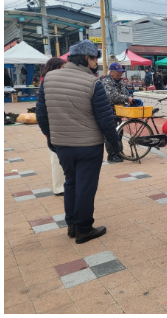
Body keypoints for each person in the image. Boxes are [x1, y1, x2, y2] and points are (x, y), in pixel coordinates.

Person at [36, 40, 121, 244]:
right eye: (94, 59)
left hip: (62, 145)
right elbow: (105, 119)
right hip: (88, 146)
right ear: (86, 58)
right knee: (86, 186)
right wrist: (115, 143)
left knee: (71, 182)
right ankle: (84, 229)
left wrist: (51, 138)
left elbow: (41, 114)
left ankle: (72, 225)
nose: (96, 63)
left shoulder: (48, 79)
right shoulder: (93, 82)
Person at [40, 57, 67, 195]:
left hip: (61, 125)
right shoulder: (47, 83)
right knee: (56, 158)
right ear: (55, 68)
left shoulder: (56, 81)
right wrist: (47, 131)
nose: (65, 70)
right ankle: (59, 187)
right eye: (63, 67)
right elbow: (41, 110)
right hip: (53, 126)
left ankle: (65, 184)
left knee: (62, 157)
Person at [101, 63, 133, 163]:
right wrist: (127, 98)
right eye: (118, 73)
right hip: (107, 111)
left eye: (121, 73)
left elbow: (124, 92)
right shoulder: (106, 81)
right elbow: (111, 95)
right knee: (111, 134)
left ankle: (119, 153)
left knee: (119, 133)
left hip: (116, 112)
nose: (120, 75)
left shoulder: (118, 81)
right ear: (111, 72)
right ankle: (112, 156)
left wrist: (128, 97)